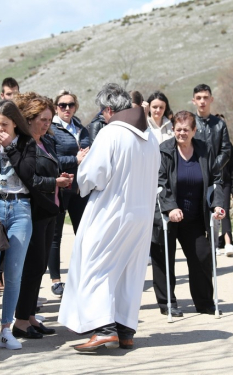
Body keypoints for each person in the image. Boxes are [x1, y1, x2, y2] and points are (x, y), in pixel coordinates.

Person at [58, 83, 160, 352]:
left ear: (109, 109)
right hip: (141, 214)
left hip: (111, 212)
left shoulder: (111, 133)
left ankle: (104, 329)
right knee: (129, 270)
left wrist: (81, 178)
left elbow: (92, 176)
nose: (102, 117)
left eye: (103, 112)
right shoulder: (149, 137)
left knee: (96, 265)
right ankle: (125, 330)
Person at [153, 110, 226, 319]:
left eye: (186, 130)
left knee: (202, 256)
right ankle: (168, 302)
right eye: (178, 129)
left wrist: (217, 205)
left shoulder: (204, 150)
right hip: (167, 216)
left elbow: (216, 180)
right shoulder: (164, 151)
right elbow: (160, 183)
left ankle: (204, 302)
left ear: (194, 131)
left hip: (193, 217)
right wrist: (170, 207)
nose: (181, 133)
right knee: (163, 259)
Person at [12, 93, 71, 341]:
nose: (47, 124)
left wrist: (62, 180)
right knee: (33, 267)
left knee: (39, 269)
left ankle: (31, 317)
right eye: (42, 119)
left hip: (50, 210)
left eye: (49, 119)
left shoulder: (46, 142)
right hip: (34, 212)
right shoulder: (24, 145)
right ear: (29, 119)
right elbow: (29, 180)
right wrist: (54, 181)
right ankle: (21, 321)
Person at [0, 99, 36, 349]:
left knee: (13, 274)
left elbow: (28, 173)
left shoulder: (26, 143)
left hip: (21, 207)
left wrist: (10, 146)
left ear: (15, 124)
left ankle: (5, 329)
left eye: (4, 124)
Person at [48, 90, 90, 296]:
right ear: (56, 107)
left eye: (70, 105)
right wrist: (75, 159)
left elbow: (90, 151)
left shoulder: (80, 127)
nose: (66, 108)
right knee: (55, 236)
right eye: (62, 105)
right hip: (59, 187)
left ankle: (83, 274)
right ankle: (56, 280)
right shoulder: (51, 129)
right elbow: (51, 159)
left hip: (79, 188)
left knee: (83, 232)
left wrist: (85, 157)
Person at [192, 84, 232, 253]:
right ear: (194, 101)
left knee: (215, 219)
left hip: (215, 180)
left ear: (211, 99)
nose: (202, 101)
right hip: (194, 179)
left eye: (205, 97)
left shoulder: (219, 125)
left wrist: (212, 168)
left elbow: (226, 150)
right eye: (199, 98)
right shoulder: (190, 123)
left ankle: (213, 252)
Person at [214, 113, 233, 256]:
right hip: (211, 182)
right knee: (213, 214)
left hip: (226, 183)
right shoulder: (206, 143)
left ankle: (228, 243)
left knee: (225, 213)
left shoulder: (228, 146)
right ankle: (216, 244)